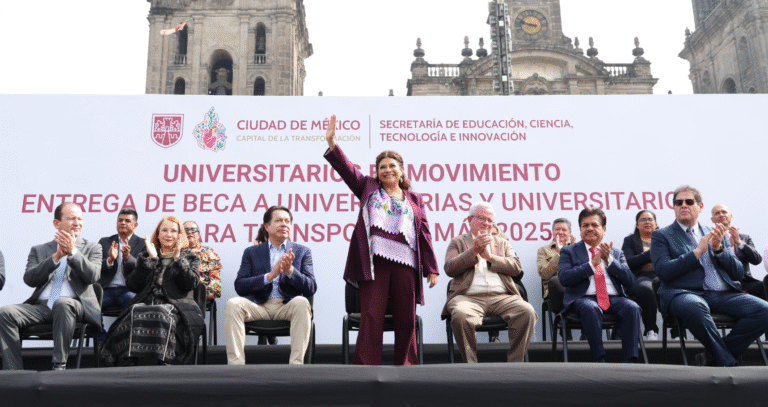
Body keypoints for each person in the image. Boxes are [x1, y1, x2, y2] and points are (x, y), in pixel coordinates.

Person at [324, 114, 439, 365]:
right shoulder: (367, 187)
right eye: (382, 166)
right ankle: (366, 366)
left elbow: (424, 234)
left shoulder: (414, 199)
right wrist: (333, 144)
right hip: (374, 263)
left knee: (406, 318)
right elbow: (347, 169)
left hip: (406, 263)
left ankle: (406, 366)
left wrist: (431, 268)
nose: (387, 169)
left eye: (392, 165)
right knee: (372, 316)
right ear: (377, 172)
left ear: (401, 170)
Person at [651, 185, 768, 366]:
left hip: (722, 294)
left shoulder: (715, 231)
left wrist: (720, 250)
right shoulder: (661, 235)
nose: (683, 205)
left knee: (764, 310)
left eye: (689, 202)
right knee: (695, 306)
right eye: (678, 202)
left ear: (700, 206)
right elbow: (664, 272)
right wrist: (697, 253)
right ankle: (727, 361)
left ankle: (713, 357)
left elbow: (737, 273)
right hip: (684, 293)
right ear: (673, 206)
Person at [0, 202, 102, 370]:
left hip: (75, 306)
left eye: (80, 219)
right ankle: (13, 371)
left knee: (63, 303)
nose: (77, 223)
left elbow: (93, 276)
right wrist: (55, 258)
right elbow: (30, 279)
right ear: (57, 223)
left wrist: (73, 254)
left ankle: (59, 365)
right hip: (42, 307)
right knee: (4, 313)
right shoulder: (39, 250)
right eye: (71, 219)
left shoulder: (92, 248)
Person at [100, 215, 205, 366]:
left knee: (162, 311)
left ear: (180, 236)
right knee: (135, 309)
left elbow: (190, 284)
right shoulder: (147, 254)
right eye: (164, 230)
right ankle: (128, 361)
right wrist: (151, 260)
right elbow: (133, 285)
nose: (169, 235)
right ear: (158, 234)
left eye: (173, 231)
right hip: (148, 301)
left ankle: (163, 360)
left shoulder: (188, 256)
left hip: (177, 304)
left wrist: (177, 259)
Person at [443, 202, 537, 363]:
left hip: (502, 297)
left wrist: (490, 257)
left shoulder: (502, 243)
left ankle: (515, 364)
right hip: (468, 297)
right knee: (460, 315)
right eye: (482, 218)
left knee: (527, 311)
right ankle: (471, 366)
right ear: (469, 219)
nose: (487, 223)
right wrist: (473, 251)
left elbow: (516, 268)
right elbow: (450, 268)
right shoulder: (457, 242)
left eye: (490, 220)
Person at [224, 206, 317, 365]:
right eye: (279, 220)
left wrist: (290, 271)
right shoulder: (252, 252)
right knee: (233, 304)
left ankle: (296, 366)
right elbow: (240, 285)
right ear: (266, 227)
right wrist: (269, 276)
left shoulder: (302, 252)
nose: (284, 224)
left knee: (302, 302)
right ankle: (236, 366)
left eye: (287, 221)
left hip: (286, 306)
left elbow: (311, 287)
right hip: (259, 306)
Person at [559, 207, 642, 363]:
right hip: (584, 298)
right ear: (580, 229)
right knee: (591, 308)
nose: (590, 228)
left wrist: (609, 260)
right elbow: (564, 278)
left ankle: (630, 361)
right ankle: (599, 359)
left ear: (604, 229)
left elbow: (630, 280)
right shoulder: (568, 252)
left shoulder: (616, 253)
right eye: (585, 225)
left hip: (614, 298)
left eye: (594, 225)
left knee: (633, 307)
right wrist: (591, 264)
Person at [97, 208, 146, 340]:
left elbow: (144, 268)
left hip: (128, 290)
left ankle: (122, 340)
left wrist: (128, 258)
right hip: (107, 290)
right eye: (120, 220)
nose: (123, 223)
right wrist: (109, 260)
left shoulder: (142, 244)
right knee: (90, 302)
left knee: (132, 301)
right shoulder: (105, 242)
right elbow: (95, 266)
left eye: (127, 220)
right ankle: (102, 340)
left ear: (135, 225)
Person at [710, 204, 765, 299]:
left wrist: (739, 243)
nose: (721, 215)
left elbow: (757, 260)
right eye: (717, 213)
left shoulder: (744, 238)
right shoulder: (710, 239)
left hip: (746, 282)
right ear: (712, 220)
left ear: (731, 217)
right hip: (724, 283)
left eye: (724, 212)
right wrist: (728, 247)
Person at [621, 210, 660, 341]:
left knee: (677, 288)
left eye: (650, 219)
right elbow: (628, 261)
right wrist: (650, 254)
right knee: (646, 288)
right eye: (643, 220)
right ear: (637, 225)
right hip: (640, 277)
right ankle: (651, 330)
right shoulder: (630, 240)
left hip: (662, 276)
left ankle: (678, 333)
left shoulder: (664, 239)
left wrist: (642, 259)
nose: (647, 222)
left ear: (656, 224)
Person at [537, 218, 576, 340]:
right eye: (557, 229)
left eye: (564, 230)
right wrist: (560, 254)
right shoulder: (543, 250)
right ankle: (566, 336)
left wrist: (574, 251)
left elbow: (584, 271)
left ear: (569, 233)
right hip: (555, 292)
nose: (560, 232)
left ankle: (585, 337)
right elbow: (544, 274)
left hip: (576, 289)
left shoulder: (577, 248)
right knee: (557, 283)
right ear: (552, 232)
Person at [183, 221, 222, 301]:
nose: (190, 232)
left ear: (198, 234)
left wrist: (212, 292)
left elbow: (215, 277)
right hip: (179, 292)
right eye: (186, 230)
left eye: (193, 230)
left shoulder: (208, 252)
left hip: (201, 292)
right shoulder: (176, 252)